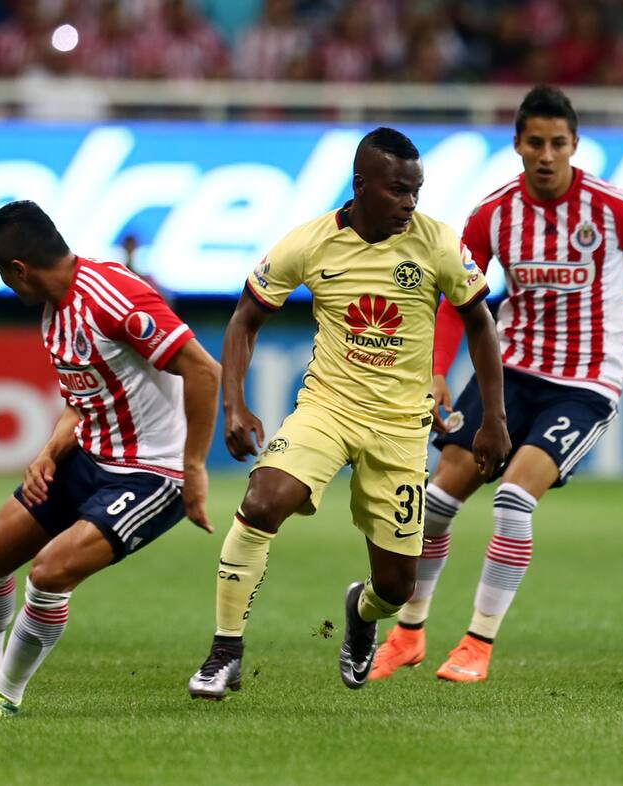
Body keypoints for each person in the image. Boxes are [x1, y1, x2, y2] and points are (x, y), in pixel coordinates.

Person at [370, 85, 623, 684]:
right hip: (508, 374)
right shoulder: (492, 214)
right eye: (536, 142)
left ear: (575, 145)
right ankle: (410, 633)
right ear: (518, 145)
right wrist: (436, 373)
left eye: (559, 143)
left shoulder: (613, 208)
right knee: (435, 503)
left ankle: (477, 643)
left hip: (583, 384)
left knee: (512, 498)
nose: (548, 154)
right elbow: (456, 302)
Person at [185, 127, 511, 698]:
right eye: (398, 191)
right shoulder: (309, 242)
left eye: (417, 190)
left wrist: (494, 419)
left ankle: (361, 613)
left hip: (401, 428)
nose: (410, 203)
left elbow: (481, 324)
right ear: (361, 186)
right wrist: (234, 402)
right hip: (327, 409)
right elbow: (244, 318)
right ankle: (224, 652)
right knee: (263, 501)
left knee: (396, 587)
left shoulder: (436, 243)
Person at [0, 200, 221, 720]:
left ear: (19, 269)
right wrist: (48, 452)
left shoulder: (114, 298)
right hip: (90, 456)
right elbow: (83, 401)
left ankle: (5, 692)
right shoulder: (56, 312)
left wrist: (192, 468)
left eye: (1, 276)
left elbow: (204, 371)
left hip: (150, 474)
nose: (6, 288)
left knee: (50, 573)